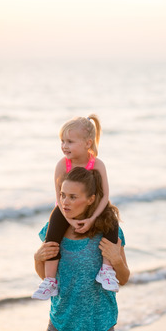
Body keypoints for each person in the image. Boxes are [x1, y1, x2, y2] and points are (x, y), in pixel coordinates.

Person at [32, 167, 130, 331]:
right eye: (63, 195)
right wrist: (36, 259)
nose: (65, 202)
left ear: (91, 199)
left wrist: (116, 260)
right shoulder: (53, 229)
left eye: (73, 197)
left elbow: (124, 278)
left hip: (99, 324)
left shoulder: (109, 231)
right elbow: (48, 278)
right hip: (61, 322)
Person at [32, 114, 119, 300]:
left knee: (111, 217)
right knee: (53, 230)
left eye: (70, 141)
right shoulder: (63, 165)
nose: (64, 146)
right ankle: (50, 281)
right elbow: (58, 197)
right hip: (66, 211)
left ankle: (106, 270)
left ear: (88, 143)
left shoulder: (96, 164)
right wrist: (70, 219)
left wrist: (92, 219)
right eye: (62, 141)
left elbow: (105, 196)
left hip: (93, 208)